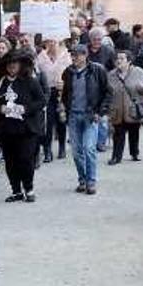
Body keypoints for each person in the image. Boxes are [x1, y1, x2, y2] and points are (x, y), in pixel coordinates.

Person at [0, 51, 46, 202]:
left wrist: (25, 109)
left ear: (21, 64)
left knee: (26, 159)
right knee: (10, 161)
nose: (12, 67)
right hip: (7, 128)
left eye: (14, 64)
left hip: (26, 129)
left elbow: (42, 101)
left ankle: (29, 188)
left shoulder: (30, 81)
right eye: (9, 64)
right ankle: (16, 190)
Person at [62, 45, 112, 195]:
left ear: (85, 56)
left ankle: (91, 181)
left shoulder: (97, 70)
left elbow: (108, 92)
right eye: (73, 56)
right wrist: (64, 108)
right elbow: (65, 94)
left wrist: (100, 112)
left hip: (90, 115)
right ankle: (82, 179)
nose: (74, 58)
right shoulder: (68, 72)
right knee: (76, 152)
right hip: (73, 115)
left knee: (89, 148)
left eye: (77, 55)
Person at [107, 50, 143, 165]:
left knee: (134, 132)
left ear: (129, 61)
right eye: (117, 58)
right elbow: (106, 91)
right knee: (118, 134)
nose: (119, 61)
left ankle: (134, 153)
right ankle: (116, 157)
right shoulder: (111, 75)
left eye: (122, 58)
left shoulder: (139, 72)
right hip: (117, 110)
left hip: (133, 109)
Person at [36, 38, 71, 161]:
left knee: (61, 120)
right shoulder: (41, 57)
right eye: (49, 41)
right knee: (48, 121)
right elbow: (38, 74)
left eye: (54, 41)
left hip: (61, 92)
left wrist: (65, 83)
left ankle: (62, 147)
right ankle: (47, 150)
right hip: (47, 92)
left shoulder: (65, 55)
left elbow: (71, 73)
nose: (52, 44)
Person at [86, 27, 116, 152]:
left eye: (100, 39)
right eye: (95, 39)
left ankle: (101, 142)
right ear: (90, 39)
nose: (97, 41)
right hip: (87, 86)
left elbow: (114, 68)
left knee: (103, 117)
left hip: (103, 86)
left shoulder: (108, 51)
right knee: (89, 115)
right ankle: (90, 141)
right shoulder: (85, 50)